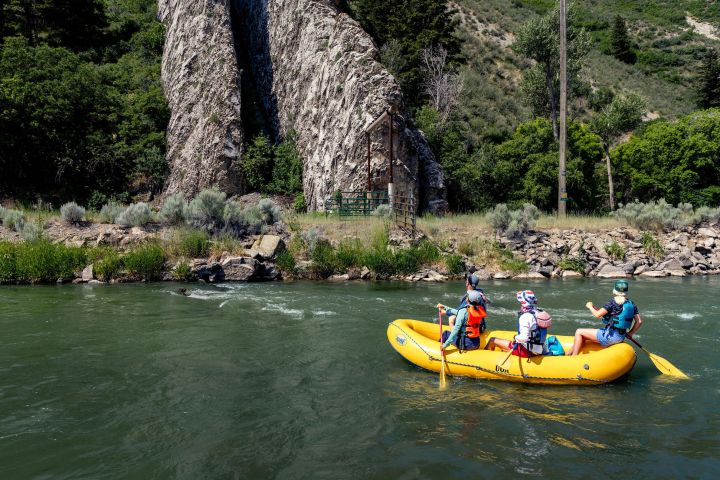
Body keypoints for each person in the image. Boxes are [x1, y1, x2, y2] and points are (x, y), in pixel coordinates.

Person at [566, 279, 643, 356]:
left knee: (579, 331)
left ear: (615, 290)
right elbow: (639, 321)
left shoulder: (612, 302)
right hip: (621, 336)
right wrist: (630, 333)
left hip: (610, 337)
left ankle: (574, 357)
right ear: (626, 291)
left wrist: (590, 307)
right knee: (584, 335)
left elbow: (597, 314)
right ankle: (568, 354)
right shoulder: (631, 304)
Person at [484, 290, 549, 357]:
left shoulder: (525, 316)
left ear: (523, 302)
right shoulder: (538, 312)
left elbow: (523, 338)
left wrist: (516, 338)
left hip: (526, 351)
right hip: (539, 349)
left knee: (492, 340)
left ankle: (485, 359)